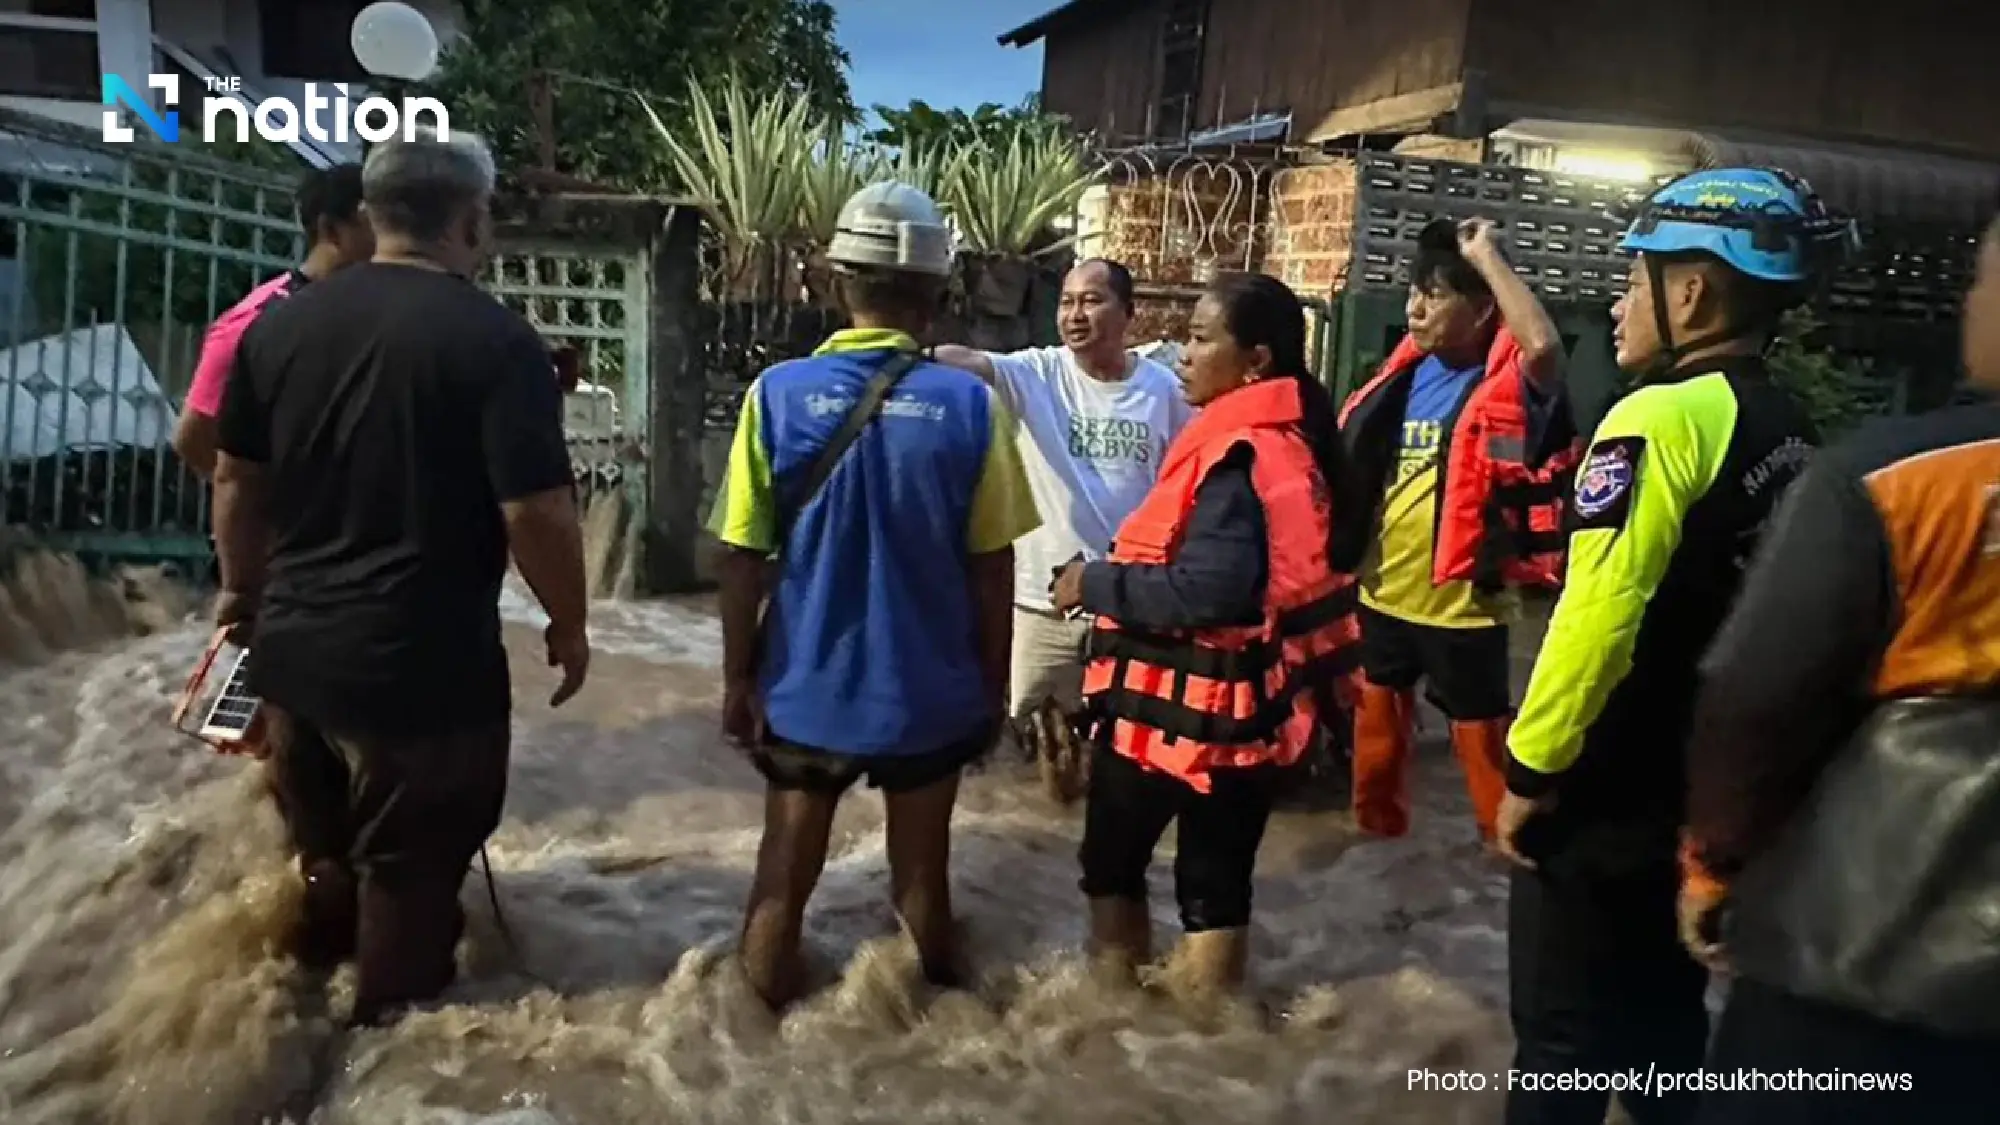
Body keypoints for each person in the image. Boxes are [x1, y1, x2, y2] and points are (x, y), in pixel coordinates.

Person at [1494, 167, 1853, 1125]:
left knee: (1560, 1051)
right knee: (1663, 1037)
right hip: (1696, 798)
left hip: (1604, 793)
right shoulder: (1790, 428)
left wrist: (1530, 767)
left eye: (1635, 275)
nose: (1620, 301)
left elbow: (1597, 615)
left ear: (1691, 291)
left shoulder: (1657, 418)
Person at [210, 131, 590, 1028]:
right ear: (471, 218)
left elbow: (234, 479)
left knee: (325, 856)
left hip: (295, 658)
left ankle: (281, 1030)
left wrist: (239, 593)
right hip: (424, 676)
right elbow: (535, 512)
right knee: (412, 885)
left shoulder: (278, 329)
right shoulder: (498, 343)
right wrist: (570, 625)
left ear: (372, 215)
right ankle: (373, 1067)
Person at [1678, 209, 2000, 1125]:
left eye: (1981, 278)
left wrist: (1713, 864)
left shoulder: (1892, 476)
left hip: (1859, 968)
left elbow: (1755, 696)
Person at [710, 181, 1038, 1010]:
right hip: (928, 695)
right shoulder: (970, 404)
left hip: (803, 691)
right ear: (935, 293)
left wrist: (737, 678)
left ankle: (744, 1047)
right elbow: (991, 564)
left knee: (780, 886)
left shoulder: (775, 396)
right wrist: (992, 688)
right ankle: (954, 1034)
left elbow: (741, 553)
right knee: (923, 882)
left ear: (836, 282)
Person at [1049, 272, 1360, 992]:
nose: (1182, 355)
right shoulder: (1293, 442)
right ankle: (1207, 1049)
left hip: (1181, 715)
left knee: (1111, 868)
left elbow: (1209, 592)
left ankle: (1114, 1031)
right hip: (1254, 715)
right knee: (1215, 886)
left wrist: (1089, 583)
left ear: (1254, 361)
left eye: (1197, 338)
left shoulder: (1237, 455)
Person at [1334, 217, 1574, 843]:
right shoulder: (1402, 378)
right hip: (1383, 595)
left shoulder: (1511, 386)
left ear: (1482, 309)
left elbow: (1544, 346)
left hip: (1465, 607)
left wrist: (1486, 254)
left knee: (1484, 749)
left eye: (1435, 295)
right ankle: (1376, 852)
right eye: (1414, 291)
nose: (1415, 307)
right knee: (1377, 746)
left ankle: (1502, 854)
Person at [933, 260, 1192, 760]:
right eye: (1067, 301)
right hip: (1041, 603)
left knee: (1125, 742)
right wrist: (912, 354)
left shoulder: (1164, 392)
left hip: (1127, 601)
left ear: (1128, 314)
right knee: (1025, 739)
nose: (1075, 314)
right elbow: (969, 361)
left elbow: (1184, 484)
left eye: (1092, 301)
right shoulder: (1037, 373)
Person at [173, 162, 373, 478]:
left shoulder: (384, 312)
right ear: (331, 230)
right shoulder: (259, 320)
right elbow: (194, 437)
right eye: (375, 224)